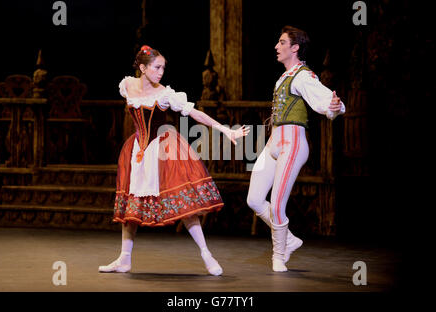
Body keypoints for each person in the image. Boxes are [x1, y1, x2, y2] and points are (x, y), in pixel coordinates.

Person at [98, 46, 249, 276]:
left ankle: (207, 255)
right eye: (157, 67)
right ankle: (124, 259)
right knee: (132, 204)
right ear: (142, 68)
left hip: (162, 150)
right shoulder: (127, 85)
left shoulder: (165, 94)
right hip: (137, 149)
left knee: (185, 205)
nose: (161, 72)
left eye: (163, 68)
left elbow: (194, 113)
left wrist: (224, 130)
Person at [246, 26, 345, 272]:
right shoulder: (283, 77)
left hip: (293, 144)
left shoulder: (302, 75)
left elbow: (324, 99)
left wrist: (334, 105)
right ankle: (288, 238)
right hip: (273, 144)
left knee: (278, 204)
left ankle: (279, 255)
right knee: (254, 199)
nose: (276, 47)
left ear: (295, 47)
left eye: (281, 42)